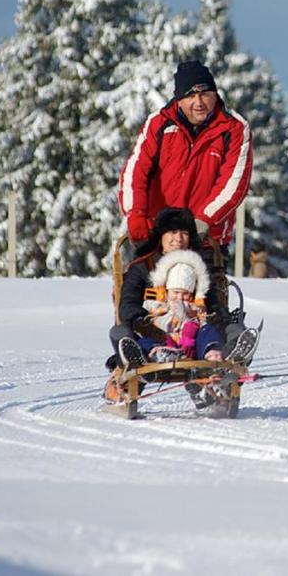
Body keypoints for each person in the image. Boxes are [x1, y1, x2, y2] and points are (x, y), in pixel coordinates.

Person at [118, 60, 254, 297]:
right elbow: (135, 171)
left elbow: (233, 185)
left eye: (205, 93)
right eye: (191, 95)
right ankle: (135, 332)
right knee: (144, 301)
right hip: (157, 237)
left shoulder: (234, 129)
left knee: (205, 306)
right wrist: (136, 214)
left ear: (215, 94)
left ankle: (215, 333)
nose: (199, 102)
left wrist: (201, 223)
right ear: (179, 99)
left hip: (205, 238)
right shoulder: (158, 124)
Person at [109, 207, 258, 371]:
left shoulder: (199, 268)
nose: (178, 238)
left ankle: (230, 353)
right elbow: (128, 303)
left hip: (194, 332)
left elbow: (214, 304)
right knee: (120, 331)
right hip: (154, 331)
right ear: (161, 236)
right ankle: (137, 355)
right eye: (172, 232)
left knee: (223, 328)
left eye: (184, 233)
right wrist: (143, 320)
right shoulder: (142, 267)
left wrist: (222, 322)